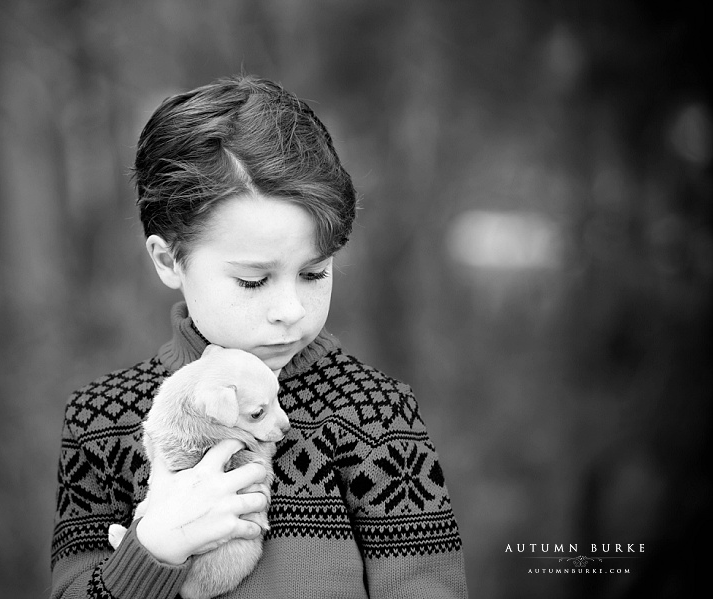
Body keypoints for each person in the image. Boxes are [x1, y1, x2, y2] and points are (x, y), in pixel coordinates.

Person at [50, 74, 468, 598]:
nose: (291, 311)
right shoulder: (102, 420)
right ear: (167, 260)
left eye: (314, 273)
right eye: (253, 280)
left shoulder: (374, 414)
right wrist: (152, 550)